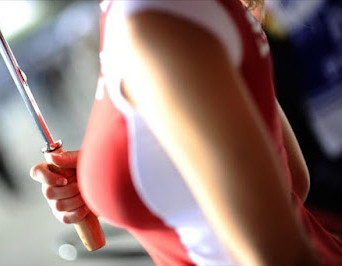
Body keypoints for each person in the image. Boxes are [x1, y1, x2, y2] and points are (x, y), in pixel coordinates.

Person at [30, 0, 342, 265]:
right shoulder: (142, 13)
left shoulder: (153, 25)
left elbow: (281, 255)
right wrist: (129, 166)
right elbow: (291, 180)